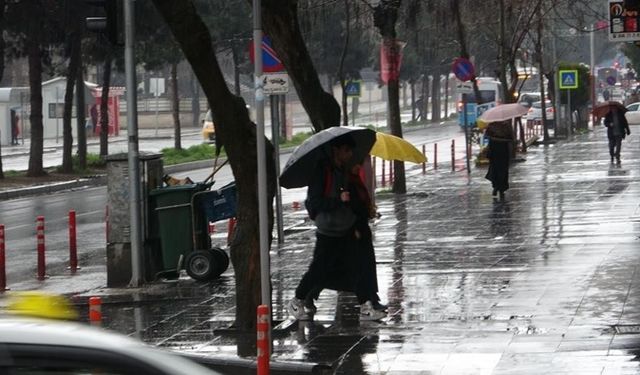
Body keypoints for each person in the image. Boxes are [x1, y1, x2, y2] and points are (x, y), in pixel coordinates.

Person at [287, 135, 386, 322]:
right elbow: (314, 201)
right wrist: (338, 200)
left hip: (346, 228)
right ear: (336, 150)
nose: (350, 155)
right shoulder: (322, 172)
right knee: (318, 269)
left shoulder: (342, 170)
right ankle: (297, 299)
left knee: (358, 267)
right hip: (329, 231)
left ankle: (366, 306)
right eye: (346, 150)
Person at [484, 121, 514, 201]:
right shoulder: (507, 125)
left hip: (494, 149)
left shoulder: (491, 125)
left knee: (494, 168)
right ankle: (501, 188)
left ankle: (496, 186)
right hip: (503, 149)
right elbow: (511, 137)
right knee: (503, 169)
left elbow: (487, 135)